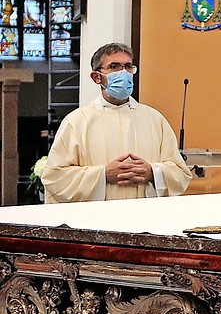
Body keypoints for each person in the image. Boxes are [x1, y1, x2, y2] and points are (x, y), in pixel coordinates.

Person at [42, 42, 193, 203]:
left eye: (128, 67)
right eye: (114, 66)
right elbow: (55, 178)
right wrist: (103, 175)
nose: (123, 73)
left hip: (146, 217)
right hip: (97, 220)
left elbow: (180, 173)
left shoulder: (154, 119)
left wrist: (153, 172)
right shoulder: (77, 122)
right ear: (96, 77)